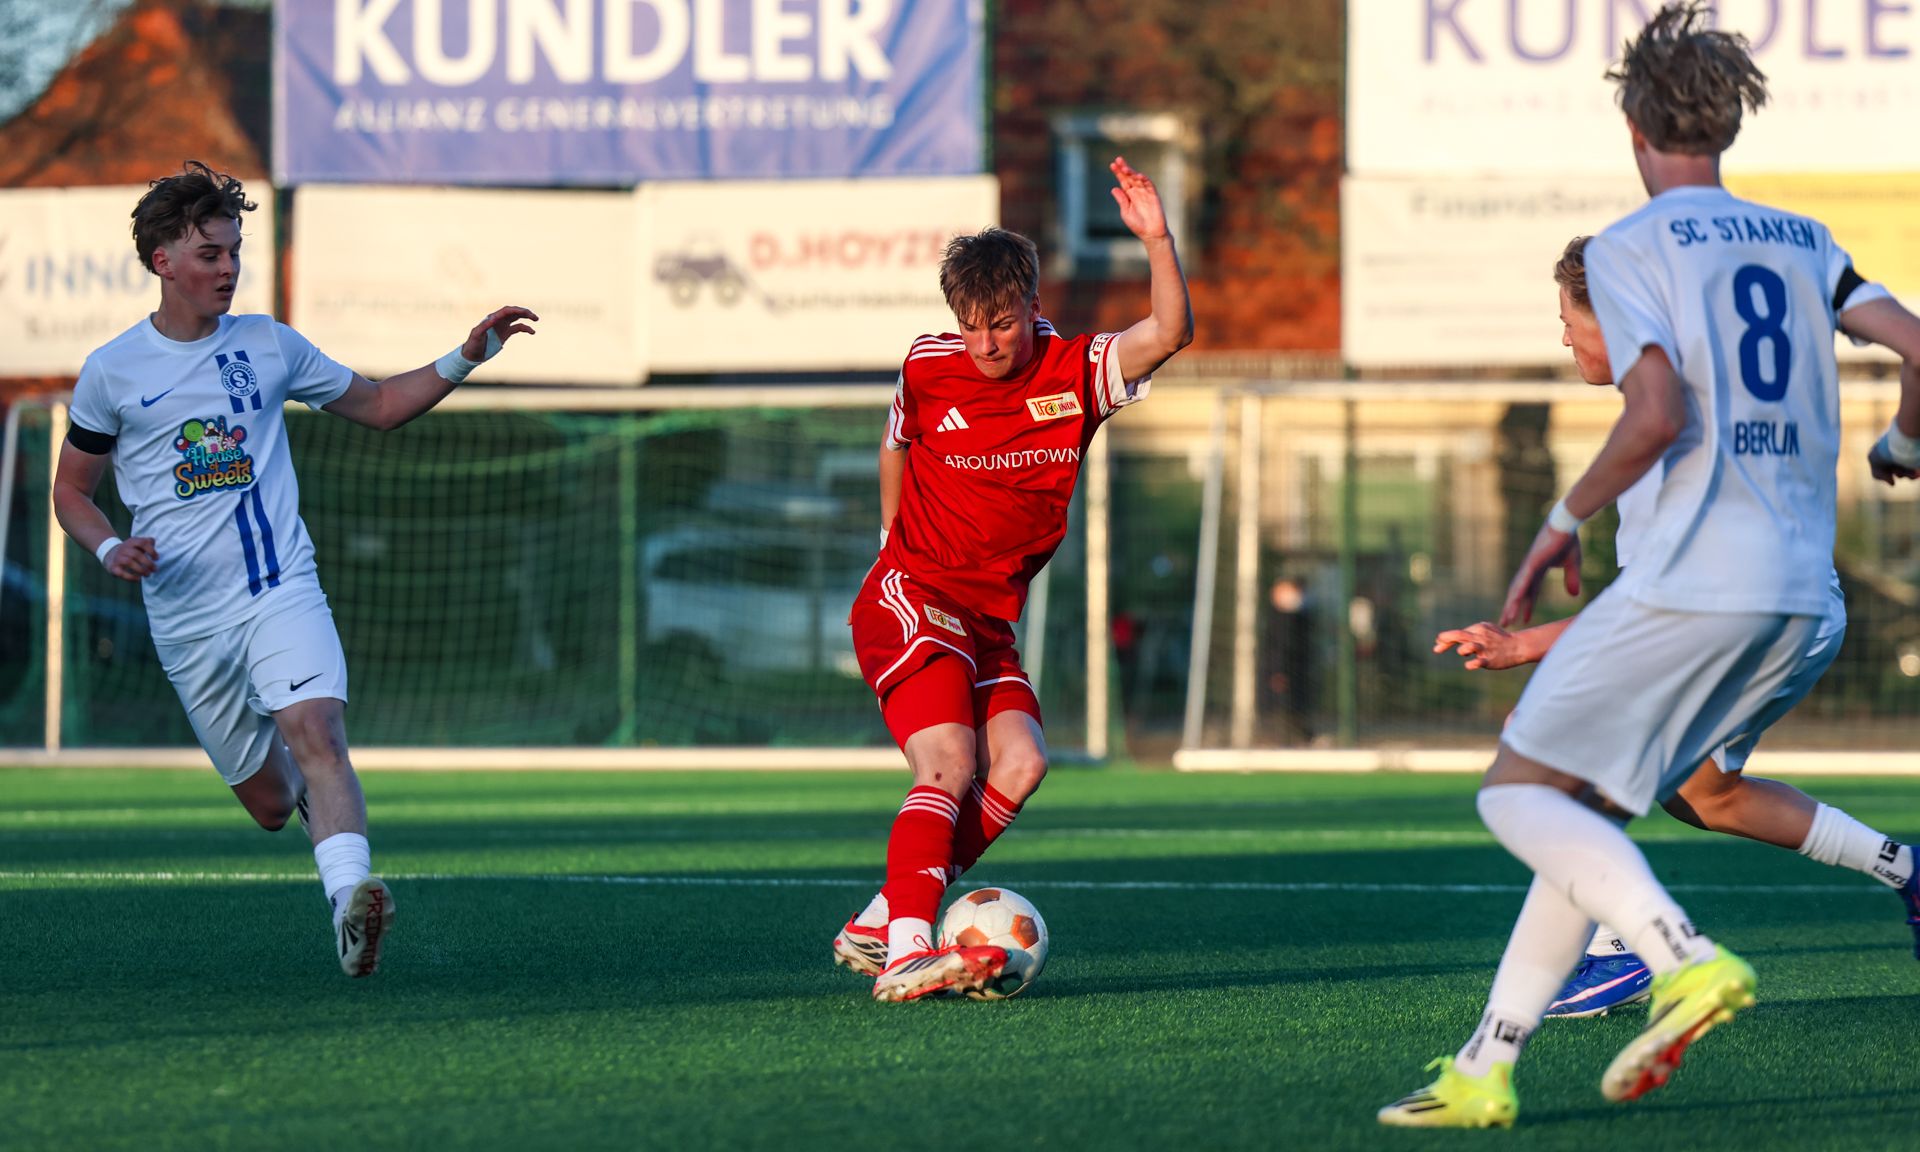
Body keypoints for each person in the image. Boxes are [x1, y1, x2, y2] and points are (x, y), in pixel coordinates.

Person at [1379, 3, 1920, 1127]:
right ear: (1732, 121)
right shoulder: (1805, 240)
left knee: (1519, 793)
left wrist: (1561, 523)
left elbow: (1656, 408)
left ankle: (1679, 954)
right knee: (1590, 812)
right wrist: (1903, 443)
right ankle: (1487, 1065)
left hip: (1690, 584)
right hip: (1791, 588)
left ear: (1634, 122)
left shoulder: (1630, 249)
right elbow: (1919, 344)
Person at [52, 161, 537, 978]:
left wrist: (464, 357)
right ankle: (325, 838)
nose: (228, 268)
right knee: (274, 804)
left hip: (280, 588)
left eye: (234, 251)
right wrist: (108, 546)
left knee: (317, 731)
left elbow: (380, 407)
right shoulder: (112, 371)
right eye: (209, 253)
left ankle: (351, 906)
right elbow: (71, 490)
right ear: (163, 260)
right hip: (185, 619)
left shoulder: (268, 343)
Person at [1433, 236, 1918, 1020]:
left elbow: (1654, 604)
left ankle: (1621, 955)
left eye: (1569, 320)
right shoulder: (1690, 404)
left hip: (1753, 623)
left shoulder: (1665, 438)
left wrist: (1528, 646)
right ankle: (1908, 871)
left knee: (1567, 760)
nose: (1563, 337)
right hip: (1782, 611)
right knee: (1707, 796)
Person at [833, 157, 1193, 1001]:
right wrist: (890, 536)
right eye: (972, 328)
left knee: (1022, 764)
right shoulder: (928, 364)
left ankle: (884, 913)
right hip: (912, 597)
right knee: (949, 758)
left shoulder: (1077, 371)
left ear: (1032, 306)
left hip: (988, 618)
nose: (986, 345)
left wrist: (1157, 240)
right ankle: (912, 944)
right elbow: (897, 438)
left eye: (1000, 323)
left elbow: (1169, 331)